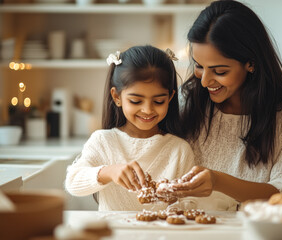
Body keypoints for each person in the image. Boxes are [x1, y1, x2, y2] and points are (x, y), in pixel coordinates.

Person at [171, 0, 282, 209]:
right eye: (199, 66)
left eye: (220, 71)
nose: (204, 81)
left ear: (251, 63)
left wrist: (218, 182)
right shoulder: (186, 102)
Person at [65, 45, 195, 211]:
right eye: (136, 101)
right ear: (117, 96)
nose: (148, 110)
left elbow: (189, 203)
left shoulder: (179, 149)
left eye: (158, 101)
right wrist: (109, 172)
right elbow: (73, 182)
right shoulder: (104, 141)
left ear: (169, 97)